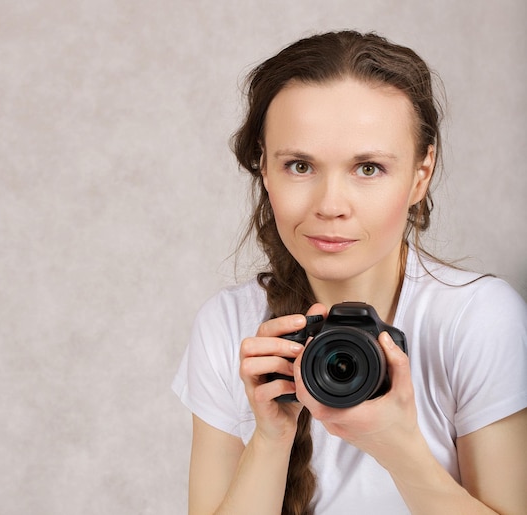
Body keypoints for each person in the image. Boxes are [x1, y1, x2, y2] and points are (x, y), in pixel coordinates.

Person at [172, 30, 527, 515]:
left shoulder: (479, 319)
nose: (330, 206)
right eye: (300, 166)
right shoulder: (228, 328)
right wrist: (272, 440)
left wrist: (396, 445)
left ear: (420, 175)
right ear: (264, 168)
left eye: (368, 169)